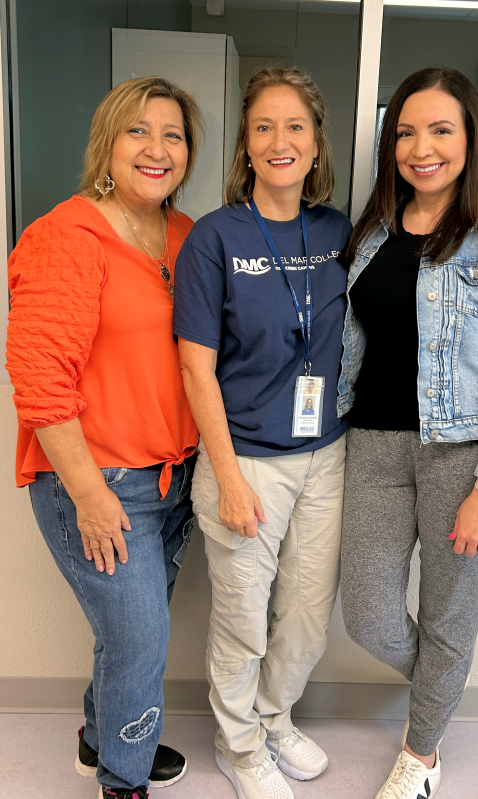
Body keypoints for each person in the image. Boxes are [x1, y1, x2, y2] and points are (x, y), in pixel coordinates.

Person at [337, 67, 478, 799]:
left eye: (439, 130)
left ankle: (421, 753)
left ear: (470, 139)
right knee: (366, 614)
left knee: (448, 612)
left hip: (464, 456)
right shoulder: (369, 234)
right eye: (404, 131)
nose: (419, 147)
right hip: (371, 444)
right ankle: (443, 677)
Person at [6, 76, 203, 799]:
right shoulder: (68, 235)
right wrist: (87, 492)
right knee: (140, 639)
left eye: (173, 135)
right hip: (98, 482)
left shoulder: (183, 235)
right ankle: (122, 779)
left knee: (129, 635)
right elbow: (38, 379)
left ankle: (103, 735)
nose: (157, 149)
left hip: (171, 478)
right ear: (107, 144)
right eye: (138, 132)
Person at [173, 68, 351, 799]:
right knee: (243, 617)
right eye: (263, 127)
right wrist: (229, 477)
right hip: (242, 457)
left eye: (295, 126)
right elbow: (194, 367)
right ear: (246, 146)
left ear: (316, 144)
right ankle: (237, 741)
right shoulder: (215, 238)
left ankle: (273, 718)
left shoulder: (340, 231)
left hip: (327, 453)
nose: (280, 141)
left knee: (307, 614)